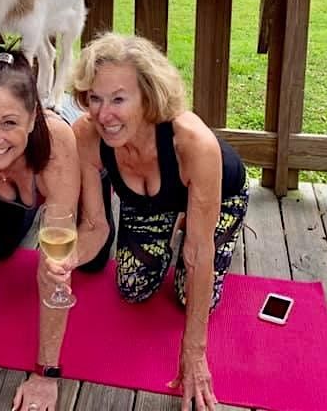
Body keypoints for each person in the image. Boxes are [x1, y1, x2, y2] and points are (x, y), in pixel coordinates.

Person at [70, 33, 249, 411]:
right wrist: (64, 261)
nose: (103, 114)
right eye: (95, 98)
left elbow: (199, 252)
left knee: (189, 296)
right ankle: (174, 224)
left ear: (148, 98)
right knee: (132, 288)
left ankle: (189, 223)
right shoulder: (85, 135)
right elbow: (96, 227)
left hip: (220, 196)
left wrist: (194, 351)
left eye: (119, 99)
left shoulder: (193, 142)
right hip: (149, 202)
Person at [0, 47, 114, 411]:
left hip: (66, 178)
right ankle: (25, 209)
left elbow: (58, 255)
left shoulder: (58, 140)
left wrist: (46, 372)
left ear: (32, 118)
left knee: (88, 263)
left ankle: (38, 205)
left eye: (9, 123)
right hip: (8, 184)